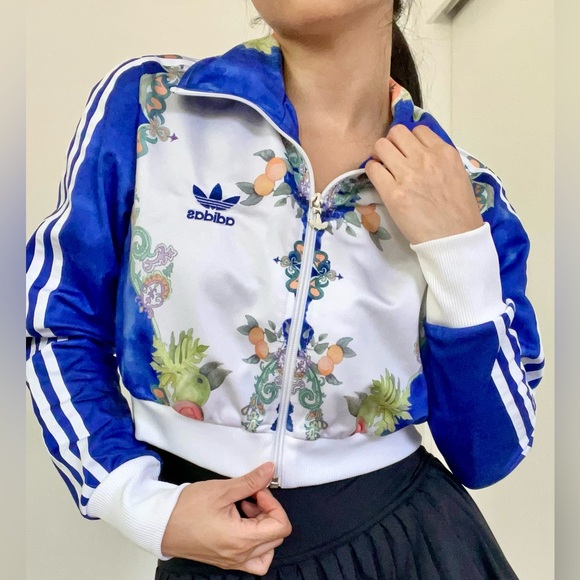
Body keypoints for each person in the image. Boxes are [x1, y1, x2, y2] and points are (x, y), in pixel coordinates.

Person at [25, 0, 544, 578]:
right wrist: (141, 504)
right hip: (214, 557)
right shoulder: (152, 107)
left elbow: (489, 452)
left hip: (414, 548)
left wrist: (459, 250)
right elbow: (58, 324)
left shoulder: (468, 190)